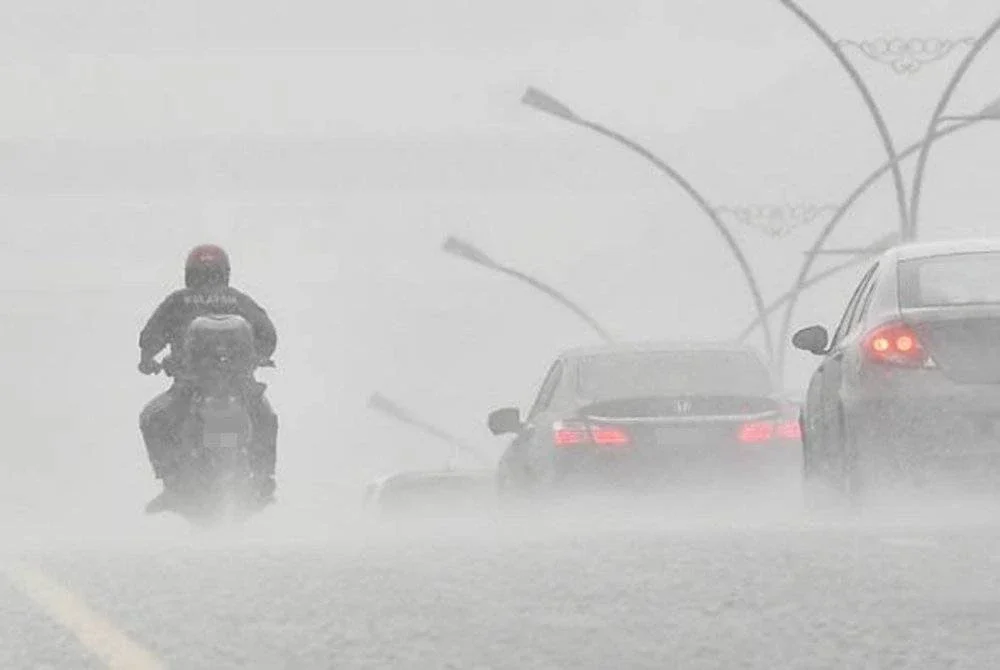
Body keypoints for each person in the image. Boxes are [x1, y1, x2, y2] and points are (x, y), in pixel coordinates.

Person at [138, 244, 278, 512]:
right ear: (224, 273)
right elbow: (268, 334)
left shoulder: (177, 302)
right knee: (266, 417)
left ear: (189, 273)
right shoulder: (239, 300)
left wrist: (148, 360)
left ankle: (170, 483)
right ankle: (264, 479)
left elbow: (150, 337)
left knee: (151, 418)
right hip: (239, 385)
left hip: (190, 386)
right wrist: (260, 356)